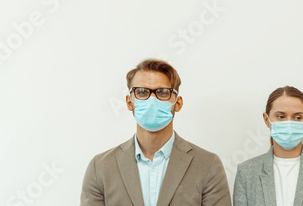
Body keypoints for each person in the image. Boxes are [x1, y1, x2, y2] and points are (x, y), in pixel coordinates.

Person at [81, 59, 231, 206]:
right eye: (141, 92)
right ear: (129, 102)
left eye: (163, 92)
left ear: (177, 103)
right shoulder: (100, 168)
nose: (152, 100)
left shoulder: (207, 165)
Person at [233, 86, 303, 206]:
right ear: (266, 119)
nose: (289, 123)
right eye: (280, 117)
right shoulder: (246, 172)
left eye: (297, 118)